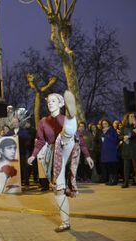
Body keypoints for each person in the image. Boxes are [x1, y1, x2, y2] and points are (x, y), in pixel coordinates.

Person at [28, 91, 94, 232]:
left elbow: (80, 139)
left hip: (67, 149)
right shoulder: (43, 122)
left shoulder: (62, 118)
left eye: (53, 100)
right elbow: (40, 141)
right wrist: (33, 156)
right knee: (58, 189)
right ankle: (65, 222)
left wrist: (87, 155)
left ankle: (71, 121)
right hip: (54, 156)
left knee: (65, 136)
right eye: (48, 101)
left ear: (61, 103)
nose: (50, 103)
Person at [120, 113, 136, 188]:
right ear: (127, 118)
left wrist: (135, 126)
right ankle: (126, 182)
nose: (132, 117)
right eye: (131, 116)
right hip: (126, 148)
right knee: (126, 166)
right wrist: (123, 137)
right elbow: (120, 136)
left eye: (134, 116)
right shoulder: (124, 127)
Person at [6, 117, 30, 186]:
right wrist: (0, 137)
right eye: (13, 122)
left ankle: (26, 181)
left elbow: (27, 137)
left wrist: (18, 136)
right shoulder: (10, 131)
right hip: (14, 153)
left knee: (24, 167)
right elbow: (5, 136)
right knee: (16, 167)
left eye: (16, 122)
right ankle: (18, 181)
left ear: (18, 122)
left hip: (22, 152)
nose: (15, 123)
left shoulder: (23, 130)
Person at [100, 119, 119, 185]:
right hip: (105, 151)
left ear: (108, 123)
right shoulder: (103, 132)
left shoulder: (112, 130)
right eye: (103, 124)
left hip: (111, 151)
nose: (104, 125)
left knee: (112, 166)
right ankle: (110, 180)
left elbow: (115, 140)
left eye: (105, 123)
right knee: (108, 166)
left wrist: (106, 134)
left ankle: (114, 180)